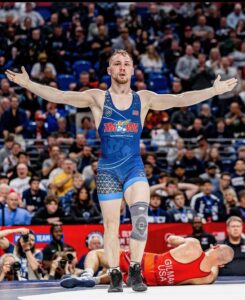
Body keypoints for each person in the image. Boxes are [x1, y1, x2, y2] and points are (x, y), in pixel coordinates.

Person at [5, 49, 238, 293]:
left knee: (139, 218)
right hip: (108, 170)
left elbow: (179, 99)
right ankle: (115, 272)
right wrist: (28, 84)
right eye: (117, 63)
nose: (122, 67)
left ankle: (135, 269)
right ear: (110, 70)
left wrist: (213, 91)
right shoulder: (97, 98)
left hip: (133, 168)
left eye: (127, 63)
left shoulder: (144, 99)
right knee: (111, 224)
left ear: (133, 69)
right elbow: (61, 95)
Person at [60, 235, 234, 288]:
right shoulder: (207, 277)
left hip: (142, 262)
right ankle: (97, 280)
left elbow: (171, 239)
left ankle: (87, 275)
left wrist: (171, 239)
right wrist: (216, 262)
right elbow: (215, 269)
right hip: (147, 281)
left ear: (216, 247)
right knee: (120, 276)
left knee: (97, 254)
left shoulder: (194, 245)